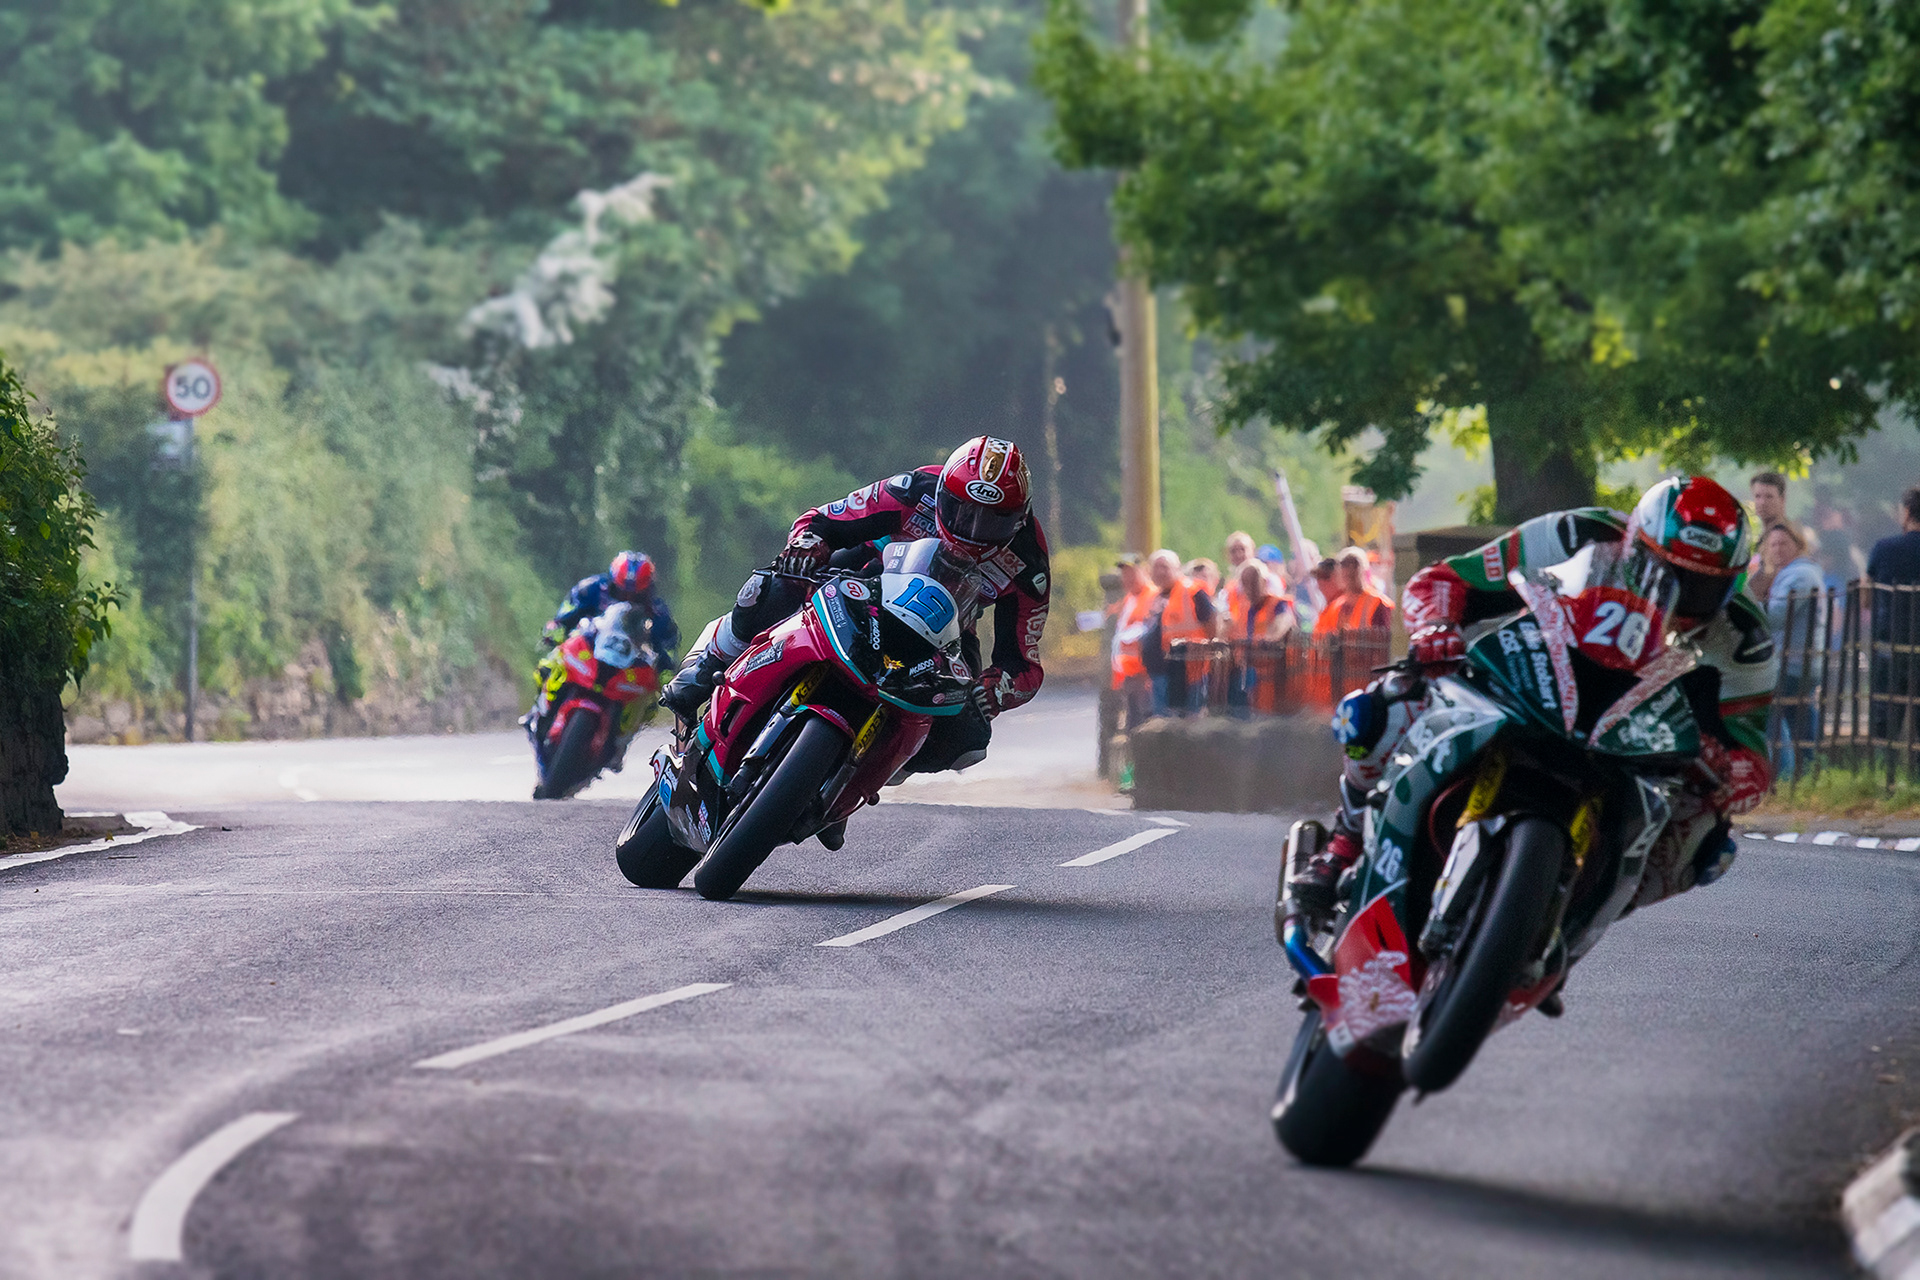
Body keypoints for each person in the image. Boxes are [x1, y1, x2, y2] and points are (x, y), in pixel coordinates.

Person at [1288, 476, 1777, 933]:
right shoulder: (1575, 532)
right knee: (1388, 702)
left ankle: (1574, 920)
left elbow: (1754, 758)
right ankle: (1342, 844)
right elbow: (1440, 580)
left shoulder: (1745, 639)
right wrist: (1436, 625)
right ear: (1636, 544)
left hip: (1634, 741)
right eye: (1666, 573)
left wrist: (1726, 769)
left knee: (1708, 844)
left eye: (1703, 586)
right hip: (1528, 679)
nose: (1683, 596)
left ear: (1731, 582)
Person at [660, 436, 1050, 785]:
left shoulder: (1029, 564)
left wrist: (997, 689)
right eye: (963, 511)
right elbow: (825, 519)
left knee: (968, 737)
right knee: (770, 590)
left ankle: (861, 776)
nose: (973, 528)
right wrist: (808, 544)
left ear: (1019, 519)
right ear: (945, 493)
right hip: (865, 579)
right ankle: (705, 666)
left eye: (992, 520)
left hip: (949, 633)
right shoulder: (916, 489)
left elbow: (1024, 665)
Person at [544, 550, 680, 672]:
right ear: (613, 584)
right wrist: (555, 632)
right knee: (548, 668)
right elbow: (562, 620)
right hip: (583, 659)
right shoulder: (590, 589)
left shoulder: (658, 613)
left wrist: (665, 676)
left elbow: (668, 653)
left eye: (635, 597)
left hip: (628, 675)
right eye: (622, 594)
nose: (627, 601)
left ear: (647, 592)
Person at [1762, 522, 1825, 778]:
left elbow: (1776, 616)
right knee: (1799, 714)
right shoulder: (1794, 573)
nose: (1777, 549)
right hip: (1800, 662)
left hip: (1794, 663)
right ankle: (1808, 769)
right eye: (1773, 544)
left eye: (1783, 544)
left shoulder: (1800, 575)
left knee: (1771, 711)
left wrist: (1748, 606)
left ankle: (1784, 772)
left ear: (1798, 545)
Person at [1867, 487, 1920, 747]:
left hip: (1891, 645)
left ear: (1907, 512)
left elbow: (1866, 598)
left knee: (1885, 725)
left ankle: (1882, 778)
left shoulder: (1885, 548)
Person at [1140, 548, 1217, 715]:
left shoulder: (1192, 591)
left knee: (1189, 722)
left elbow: (1212, 624)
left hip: (1191, 672)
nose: (1160, 572)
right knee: (1166, 725)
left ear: (1177, 569)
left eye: (1164, 567)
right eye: (1156, 567)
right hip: (1161, 672)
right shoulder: (1154, 597)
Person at [1226, 560, 1296, 715]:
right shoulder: (1244, 609)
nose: (1250, 588)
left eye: (1254, 582)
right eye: (1246, 583)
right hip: (1250, 672)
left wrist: (1271, 637)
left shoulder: (1277, 604)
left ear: (1264, 582)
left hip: (1274, 675)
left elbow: (1284, 621)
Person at [1109, 553, 1155, 727]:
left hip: (1143, 675)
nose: (1127, 578)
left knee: (1143, 723)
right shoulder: (1129, 599)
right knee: (1132, 723)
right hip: (1129, 675)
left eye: (1132, 573)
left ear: (1144, 571)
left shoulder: (1151, 595)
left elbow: (1147, 630)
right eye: (1125, 574)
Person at [1311, 547, 1394, 634]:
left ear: (1364, 570)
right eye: (1344, 565)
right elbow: (1322, 639)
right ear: (1338, 573)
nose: (1349, 570)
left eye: (1355, 565)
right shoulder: (1335, 607)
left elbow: (1386, 641)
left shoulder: (1378, 603)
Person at [1747, 472, 1797, 600]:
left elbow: (1766, 578)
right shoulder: (1765, 535)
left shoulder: (1785, 536)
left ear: (1782, 499)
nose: (1762, 502)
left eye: (1769, 497)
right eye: (1758, 496)